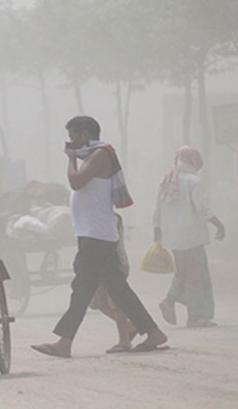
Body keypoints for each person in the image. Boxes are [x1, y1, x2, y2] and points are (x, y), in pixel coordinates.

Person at [31, 115, 167, 358]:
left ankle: (64, 342)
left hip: (97, 236)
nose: (71, 142)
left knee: (82, 289)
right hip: (94, 234)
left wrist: (71, 159)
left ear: (85, 135)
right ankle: (152, 332)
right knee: (116, 289)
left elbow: (76, 182)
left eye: (73, 137)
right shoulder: (94, 156)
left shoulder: (100, 154)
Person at [153, 146, 226, 328]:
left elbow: (158, 211)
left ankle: (170, 300)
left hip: (174, 239)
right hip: (192, 237)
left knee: (183, 272)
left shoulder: (166, 180)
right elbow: (203, 208)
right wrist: (218, 224)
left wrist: (157, 234)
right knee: (198, 277)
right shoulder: (193, 181)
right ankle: (197, 316)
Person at [89, 214, 137, 353]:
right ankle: (129, 327)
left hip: (114, 264)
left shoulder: (112, 218)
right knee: (98, 302)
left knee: (116, 303)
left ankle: (124, 341)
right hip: (99, 264)